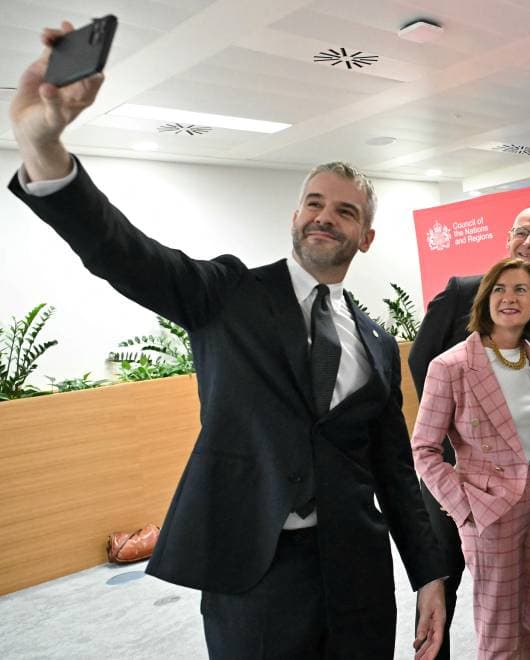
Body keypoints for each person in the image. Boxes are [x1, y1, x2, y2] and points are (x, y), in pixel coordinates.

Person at [7, 22, 446, 660]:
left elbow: (394, 469)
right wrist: (44, 147)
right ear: (295, 217)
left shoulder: (377, 340)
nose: (325, 215)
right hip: (254, 569)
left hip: (358, 569)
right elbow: (122, 251)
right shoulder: (227, 294)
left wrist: (428, 573)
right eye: (314, 202)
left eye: (346, 211)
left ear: (367, 237)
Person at [408, 206, 530, 658]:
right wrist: (462, 479)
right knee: (452, 587)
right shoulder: (460, 302)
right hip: (467, 478)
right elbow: (421, 364)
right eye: (523, 232)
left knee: (523, 613)